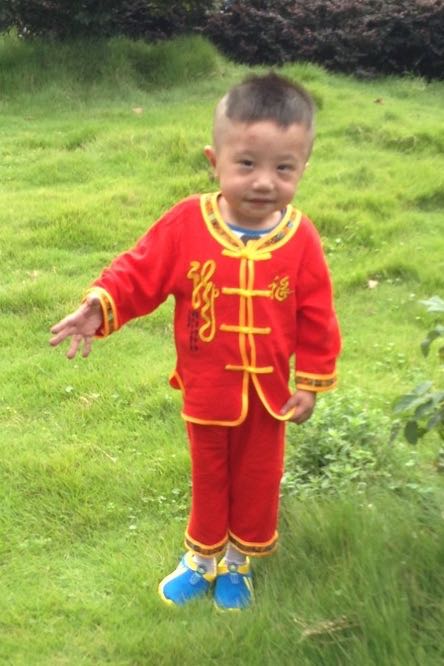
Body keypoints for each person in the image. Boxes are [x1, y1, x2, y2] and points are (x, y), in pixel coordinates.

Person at [50, 72, 341, 611]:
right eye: (246, 164)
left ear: (303, 167)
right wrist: (100, 305)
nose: (264, 182)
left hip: (270, 398)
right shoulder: (189, 222)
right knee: (210, 477)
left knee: (258, 479)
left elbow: (317, 315)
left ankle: (237, 563)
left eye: (283, 168)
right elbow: (140, 271)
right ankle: (201, 560)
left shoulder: (301, 237)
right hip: (206, 390)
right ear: (215, 160)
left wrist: (310, 383)